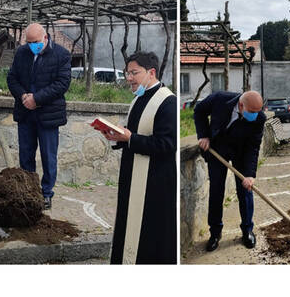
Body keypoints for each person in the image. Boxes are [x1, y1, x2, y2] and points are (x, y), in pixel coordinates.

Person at [97, 52, 176, 264]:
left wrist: (130, 137)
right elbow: (135, 136)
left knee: (149, 235)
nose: (129, 78)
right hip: (132, 174)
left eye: (134, 73)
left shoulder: (167, 102)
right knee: (127, 226)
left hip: (155, 182)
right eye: (127, 73)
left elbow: (168, 144)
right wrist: (117, 136)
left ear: (151, 72)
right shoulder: (139, 99)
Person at [6, 23, 71, 210]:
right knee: (25, 155)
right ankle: (29, 191)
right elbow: (12, 78)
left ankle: (46, 193)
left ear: (45, 38)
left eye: (35, 42)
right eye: (28, 42)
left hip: (48, 115)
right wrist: (23, 95)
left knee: (48, 156)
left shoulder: (61, 55)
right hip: (26, 113)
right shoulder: (22, 53)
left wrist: (38, 99)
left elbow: (62, 84)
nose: (32, 45)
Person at [193, 90, 266, 251]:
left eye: (258, 112)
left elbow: (253, 147)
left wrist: (249, 175)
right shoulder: (220, 99)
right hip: (217, 150)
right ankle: (215, 233)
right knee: (216, 191)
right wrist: (203, 135)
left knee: (245, 191)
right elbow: (199, 110)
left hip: (241, 153)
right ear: (241, 105)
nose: (255, 115)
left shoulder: (259, 118)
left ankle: (247, 230)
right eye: (252, 112)